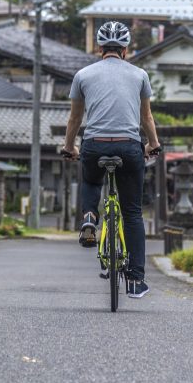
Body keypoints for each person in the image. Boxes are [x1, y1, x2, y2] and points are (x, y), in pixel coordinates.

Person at [61, 21, 161, 298]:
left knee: (91, 180)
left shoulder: (83, 75)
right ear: (126, 49)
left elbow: (75, 118)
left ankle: (90, 217)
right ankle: (135, 280)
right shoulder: (139, 75)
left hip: (94, 145)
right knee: (132, 213)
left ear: (99, 48)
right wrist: (154, 144)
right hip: (130, 147)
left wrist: (69, 147)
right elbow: (146, 117)